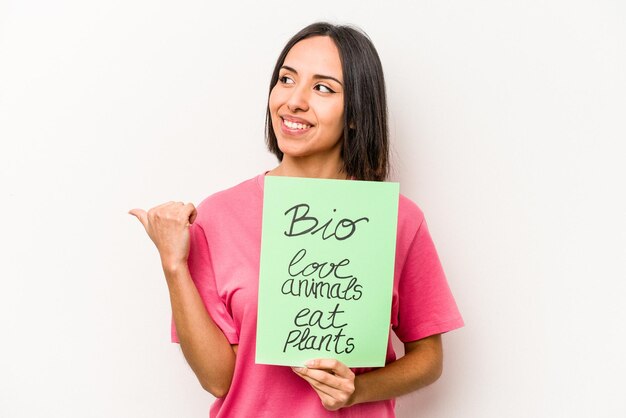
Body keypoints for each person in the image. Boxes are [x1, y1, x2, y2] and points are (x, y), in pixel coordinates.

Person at [129, 22, 463, 418]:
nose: (294, 101)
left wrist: (356, 390)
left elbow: (429, 356)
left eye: (323, 88)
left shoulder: (397, 220)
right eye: (286, 79)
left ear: (356, 114)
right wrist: (173, 265)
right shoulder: (218, 216)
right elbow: (219, 379)